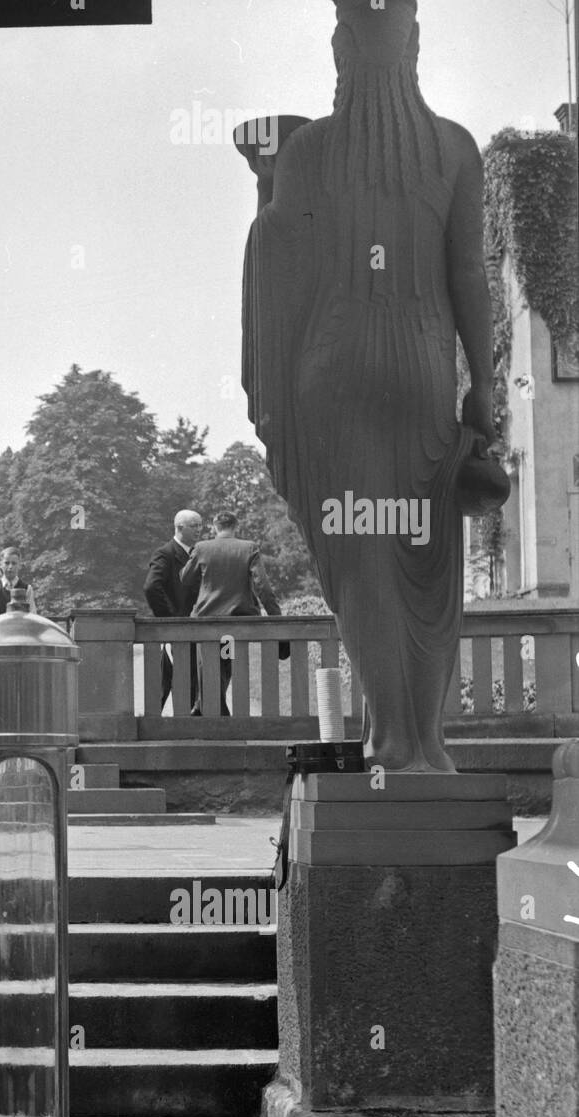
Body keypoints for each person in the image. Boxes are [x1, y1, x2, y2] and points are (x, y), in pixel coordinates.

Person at [239, 0, 507, 770]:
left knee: (360, 556)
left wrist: (264, 184)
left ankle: (388, 738)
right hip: (422, 367)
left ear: (341, 50)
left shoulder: (311, 150)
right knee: (424, 554)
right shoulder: (454, 148)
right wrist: (482, 387)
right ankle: (426, 744)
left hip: (336, 365)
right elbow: (470, 278)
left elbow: (280, 264)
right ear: (413, 45)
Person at [180, 512, 283, 716]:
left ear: (215, 527)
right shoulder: (248, 548)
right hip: (236, 623)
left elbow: (185, 578)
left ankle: (204, 706)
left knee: (207, 664)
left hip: (206, 622)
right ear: (236, 526)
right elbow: (263, 586)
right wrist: (275, 617)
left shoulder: (202, 548)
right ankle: (212, 709)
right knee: (226, 664)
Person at [143, 510, 203, 714]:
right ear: (179, 528)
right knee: (178, 676)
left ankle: (183, 722)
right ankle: (174, 725)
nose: (199, 529)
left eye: (200, 525)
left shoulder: (197, 553)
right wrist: (169, 620)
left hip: (194, 628)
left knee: (185, 676)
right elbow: (151, 588)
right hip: (176, 628)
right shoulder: (165, 553)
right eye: (194, 525)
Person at [0, 546, 39, 618]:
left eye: (14, 563)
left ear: (19, 565)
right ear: (1, 564)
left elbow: (32, 616)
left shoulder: (27, 589)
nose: (10, 567)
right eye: (7, 563)